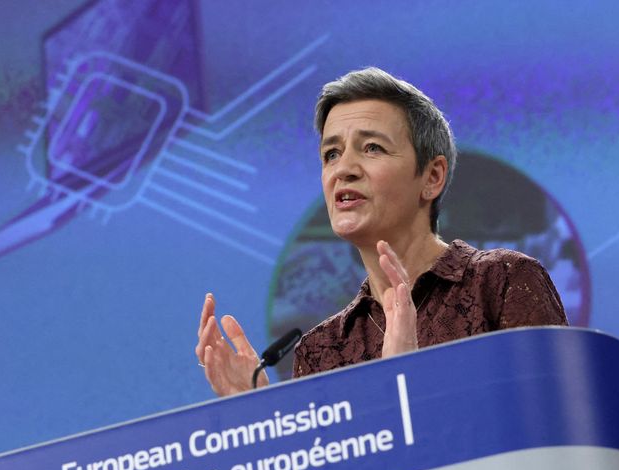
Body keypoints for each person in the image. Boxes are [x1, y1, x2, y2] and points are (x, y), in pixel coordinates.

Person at [195, 67, 567, 396]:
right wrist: (264, 420)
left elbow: (555, 431)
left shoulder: (501, 283)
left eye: (372, 148)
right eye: (331, 154)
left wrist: (408, 380)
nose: (344, 169)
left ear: (432, 177)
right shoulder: (323, 348)